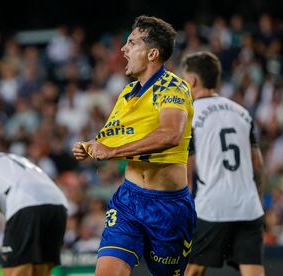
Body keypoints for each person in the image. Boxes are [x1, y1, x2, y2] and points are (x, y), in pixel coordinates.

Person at [72, 16, 196, 276]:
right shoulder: (127, 93)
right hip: (128, 200)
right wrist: (90, 146)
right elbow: (110, 138)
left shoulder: (173, 88)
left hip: (168, 207)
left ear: (152, 53)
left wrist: (113, 153)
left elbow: (171, 134)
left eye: (132, 43)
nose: (123, 49)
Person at [181, 52, 265, 276]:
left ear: (192, 81)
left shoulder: (189, 115)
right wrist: (255, 197)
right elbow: (258, 164)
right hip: (248, 205)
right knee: (253, 271)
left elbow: (186, 173)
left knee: (193, 270)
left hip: (212, 206)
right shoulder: (242, 112)